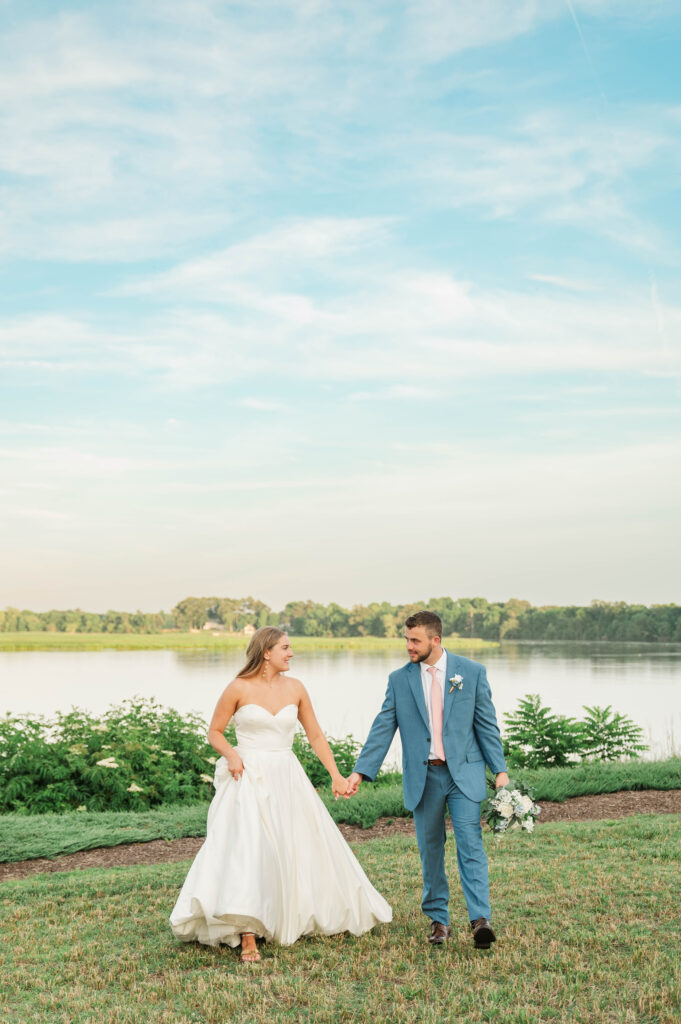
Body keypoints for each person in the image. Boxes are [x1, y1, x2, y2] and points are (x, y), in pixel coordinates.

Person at [169, 626, 391, 963]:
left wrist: (335, 775)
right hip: (248, 776)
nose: (291, 653)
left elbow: (315, 735)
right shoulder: (238, 688)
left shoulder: (296, 688)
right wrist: (232, 755)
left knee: (292, 846)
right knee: (249, 849)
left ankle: (287, 912)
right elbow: (214, 732)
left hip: (287, 777)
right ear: (266, 652)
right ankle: (247, 934)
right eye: (285, 648)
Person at [345, 611, 509, 949]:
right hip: (425, 776)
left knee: (470, 845)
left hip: (464, 773)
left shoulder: (472, 673)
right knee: (430, 850)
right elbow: (383, 726)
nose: (409, 646)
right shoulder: (399, 680)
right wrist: (360, 771)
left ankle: (480, 920)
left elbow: (487, 724)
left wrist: (500, 770)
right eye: (406, 639)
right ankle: (439, 921)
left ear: (435, 640)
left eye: (415, 640)